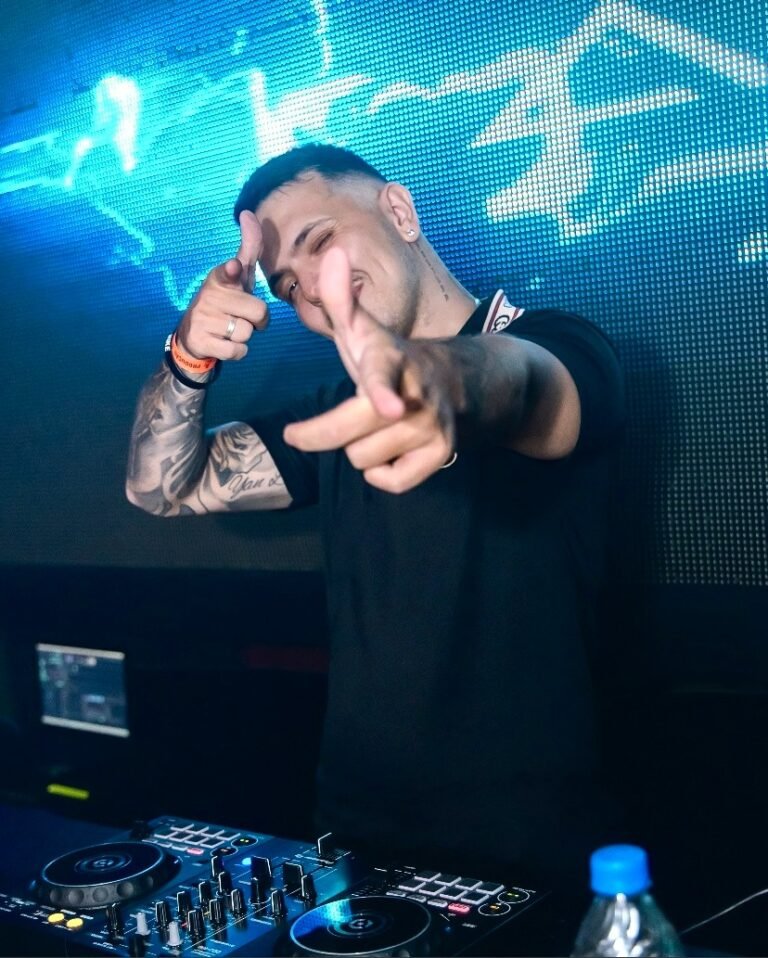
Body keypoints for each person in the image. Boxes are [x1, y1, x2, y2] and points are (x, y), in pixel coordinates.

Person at [126, 143, 626, 885]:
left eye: (320, 241)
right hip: (356, 840)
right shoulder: (338, 413)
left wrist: (430, 380)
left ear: (399, 210)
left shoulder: (560, 347)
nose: (311, 289)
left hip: (529, 853)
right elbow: (160, 487)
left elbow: (519, 380)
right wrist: (187, 361)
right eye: (287, 284)